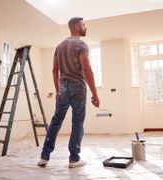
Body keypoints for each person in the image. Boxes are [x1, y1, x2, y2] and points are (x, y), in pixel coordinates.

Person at [37, 17, 100, 168]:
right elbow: (87, 69)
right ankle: (74, 159)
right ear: (77, 26)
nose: (86, 27)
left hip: (63, 86)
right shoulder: (81, 44)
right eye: (84, 25)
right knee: (77, 122)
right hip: (78, 86)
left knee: (56, 121)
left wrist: (58, 90)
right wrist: (95, 94)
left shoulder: (59, 46)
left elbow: (54, 70)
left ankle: (44, 157)